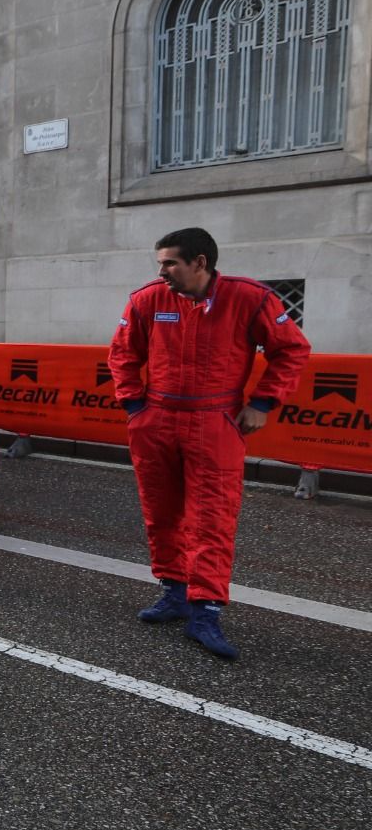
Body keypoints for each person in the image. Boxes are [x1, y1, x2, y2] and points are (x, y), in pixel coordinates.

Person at [108, 228, 310, 660]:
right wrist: (134, 406)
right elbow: (123, 354)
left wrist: (262, 402)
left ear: (199, 263)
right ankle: (175, 591)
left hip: (214, 419)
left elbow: (291, 349)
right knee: (161, 511)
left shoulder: (249, 298)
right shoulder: (148, 299)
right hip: (157, 418)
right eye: (160, 263)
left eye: (170, 263)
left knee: (211, 517)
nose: (161, 271)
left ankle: (206, 611)